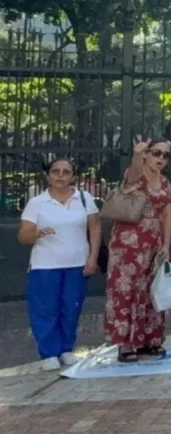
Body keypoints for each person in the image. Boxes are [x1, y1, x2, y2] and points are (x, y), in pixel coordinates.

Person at [20, 157, 100, 371]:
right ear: (48, 176)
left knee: (71, 307)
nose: (60, 176)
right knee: (46, 309)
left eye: (66, 172)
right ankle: (49, 353)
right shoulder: (37, 202)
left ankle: (66, 349)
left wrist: (93, 257)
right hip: (45, 266)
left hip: (76, 264)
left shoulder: (84, 198)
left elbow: (94, 227)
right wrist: (36, 234)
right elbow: (23, 236)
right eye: (56, 171)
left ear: (73, 176)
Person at [105, 140, 171, 362]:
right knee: (127, 289)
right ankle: (126, 343)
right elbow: (134, 171)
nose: (161, 158)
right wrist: (137, 154)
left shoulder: (165, 182)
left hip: (153, 241)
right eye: (156, 153)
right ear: (146, 154)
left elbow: (166, 215)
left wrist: (166, 245)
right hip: (128, 242)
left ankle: (149, 339)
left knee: (150, 289)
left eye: (165, 155)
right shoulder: (135, 175)